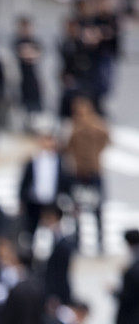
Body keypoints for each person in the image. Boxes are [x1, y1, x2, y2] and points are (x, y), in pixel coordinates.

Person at [66, 96, 110, 252]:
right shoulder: (74, 128)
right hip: (79, 173)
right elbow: (68, 147)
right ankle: (78, 241)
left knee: (98, 208)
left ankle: (100, 241)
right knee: (76, 209)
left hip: (94, 172)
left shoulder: (97, 126)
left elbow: (107, 139)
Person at [19, 132, 71, 238]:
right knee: (31, 230)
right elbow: (25, 181)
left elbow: (64, 180)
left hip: (52, 201)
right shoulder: (33, 160)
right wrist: (22, 200)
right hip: (34, 202)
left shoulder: (60, 160)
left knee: (53, 231)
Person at [40, 204, 76, 306]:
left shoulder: (65, 241)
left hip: (57, 292)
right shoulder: (43, 238)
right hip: (45, 289)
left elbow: (61, 272)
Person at [12, 16, 44, 125]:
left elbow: (37, 55)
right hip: (21, 77)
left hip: (33, 76)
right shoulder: (17, 41)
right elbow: (23, 54)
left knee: (35, 102)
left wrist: (29, 53)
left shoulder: (35, 41)